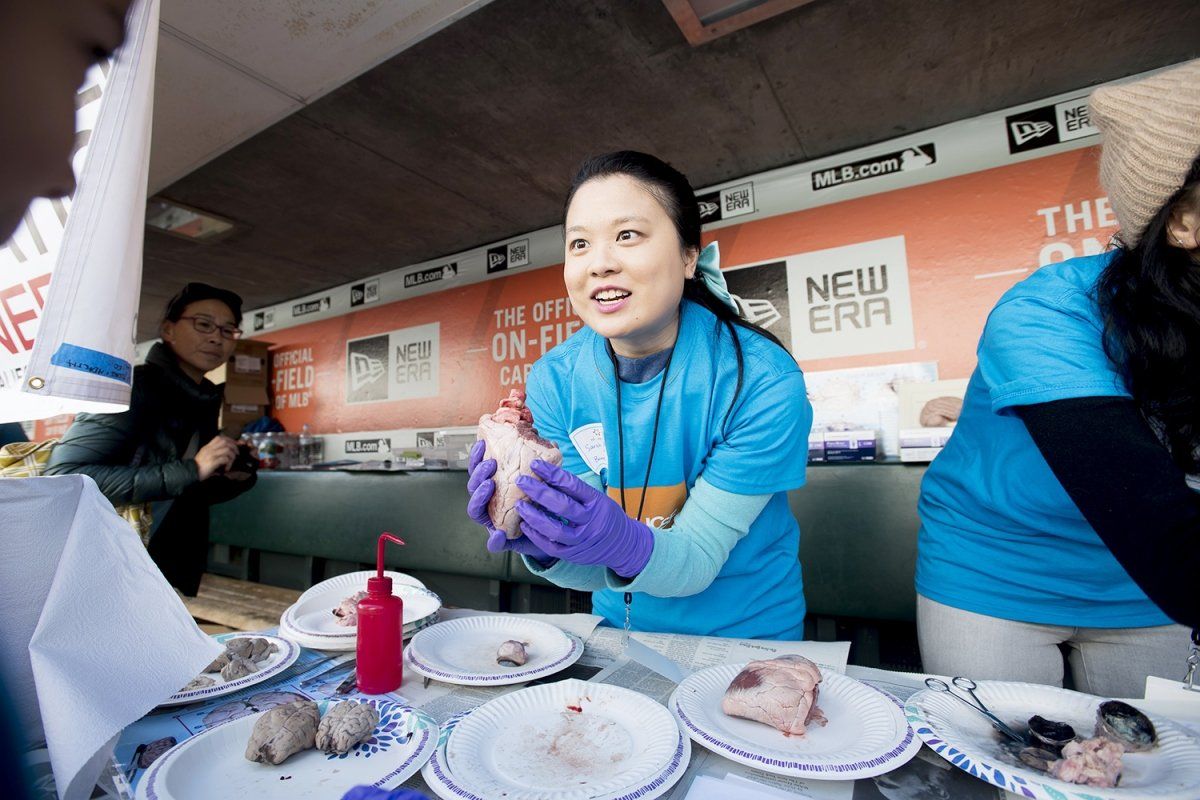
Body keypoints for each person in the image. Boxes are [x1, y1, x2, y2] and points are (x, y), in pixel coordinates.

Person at [916, 60, 1200, 698]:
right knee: (1005, 764)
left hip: (1141, 591)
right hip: (999, 567)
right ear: (1183, 222)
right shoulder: (1046, 310)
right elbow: (1149, 519)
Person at [467, 151, 812, 639]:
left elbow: (696, 561)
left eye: (627, 235)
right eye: (580, 243)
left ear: (689, 255)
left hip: (748, 640)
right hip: (621, 631)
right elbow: (592, 570)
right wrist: (542, 541)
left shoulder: (759, 380)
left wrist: (614, 537)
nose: (600, 264)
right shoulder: (553, 382)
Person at [1, 2, 135, 796]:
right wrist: (186, 472)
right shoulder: (138, 394)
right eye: (85, 58)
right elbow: (77, 478)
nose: (63, 171)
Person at [45, 282, 257, 595]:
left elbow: (179, 493)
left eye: (228, 330)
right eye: (203, 325)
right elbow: (65, 477)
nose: (216, 337)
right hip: (108, 565)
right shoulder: (135, 388)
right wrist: (192, 468)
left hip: (160, 566)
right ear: (169, 330)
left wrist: (230, 477)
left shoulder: (202, 397)